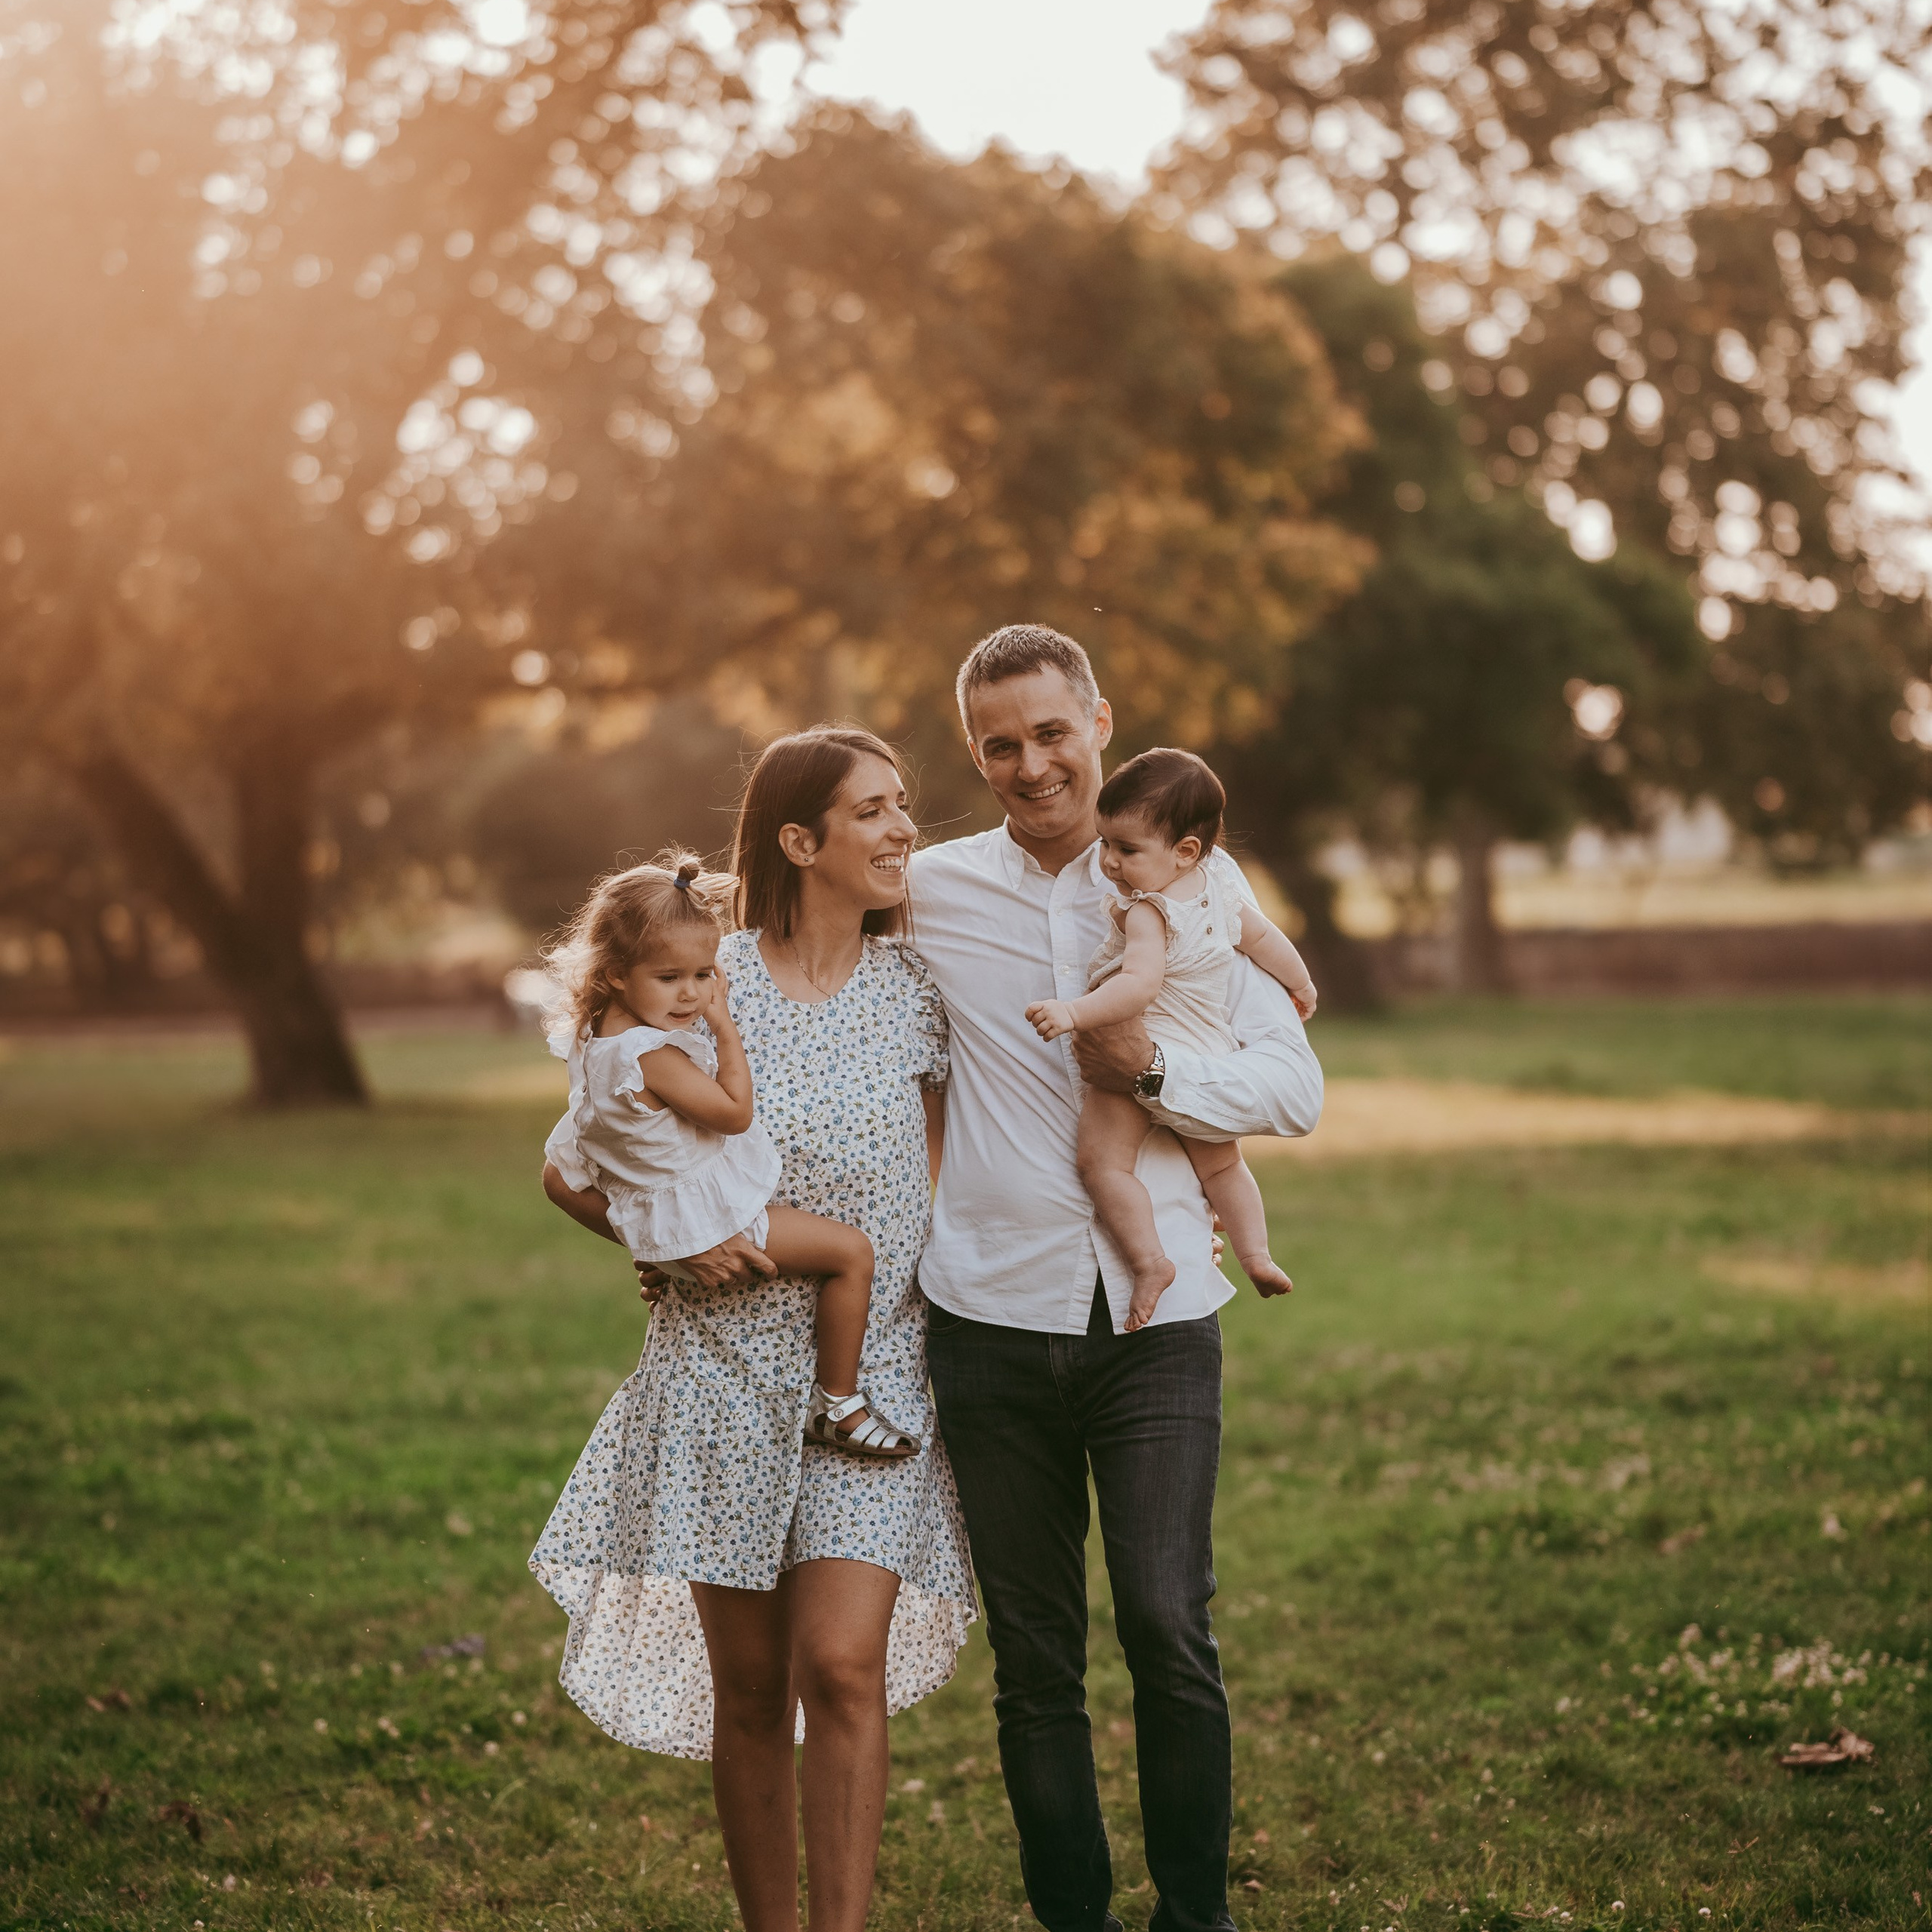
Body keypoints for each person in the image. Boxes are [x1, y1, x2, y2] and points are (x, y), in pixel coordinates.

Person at [910, 624, 1323, 1932]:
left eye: (1050, 732)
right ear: (974, 752)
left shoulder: (1201, 883)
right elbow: (772, 984)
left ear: (1098, 718)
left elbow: (1294, 1084)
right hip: (986, 1318)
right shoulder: (922, 892)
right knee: (1035, 1663)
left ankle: (1194, 1917)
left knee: (1165, 1626)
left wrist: (1149, 1075)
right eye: (998, 744)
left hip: (1161, 1330)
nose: (1029, 765)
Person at [535, 728, 974, 1932]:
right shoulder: (693, 976)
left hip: (869, 1367)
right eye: (873, 812)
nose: (901, 831)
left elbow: (940, 1163)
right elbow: (577, 1162)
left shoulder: (917, 988)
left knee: (839, 1663)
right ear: (801, 839)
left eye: (904, 807)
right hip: (719, 1373)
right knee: (749, 1686)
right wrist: (659, 1245)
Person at [539, 848, 917, 1457]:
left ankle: (833, 1399)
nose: (690, 995)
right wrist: (723, 1028)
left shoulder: (591, 1036)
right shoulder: (652, 1055)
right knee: (851, 1253)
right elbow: (734, 1113)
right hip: (715, 1218)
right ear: (614, 973)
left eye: (704, 974)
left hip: (668, 1222)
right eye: (670, 979)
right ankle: (839, 1402)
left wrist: (653, 1245)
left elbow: (559, 1180)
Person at [1024, 746, 1317, 1329]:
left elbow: (1137, 986)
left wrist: (1074, 1012)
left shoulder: (1148, 911)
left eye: (1125, 850)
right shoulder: (1223, 893)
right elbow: (1265, 941)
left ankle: (1149, 1261)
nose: (1107, 861)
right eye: (1105, 843)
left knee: (1104, 1165)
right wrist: (1302, 984)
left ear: (1185, 851)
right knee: (1224, 1170)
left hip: (1136, 1057)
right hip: (1203, 1054)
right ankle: (1256, 1256)